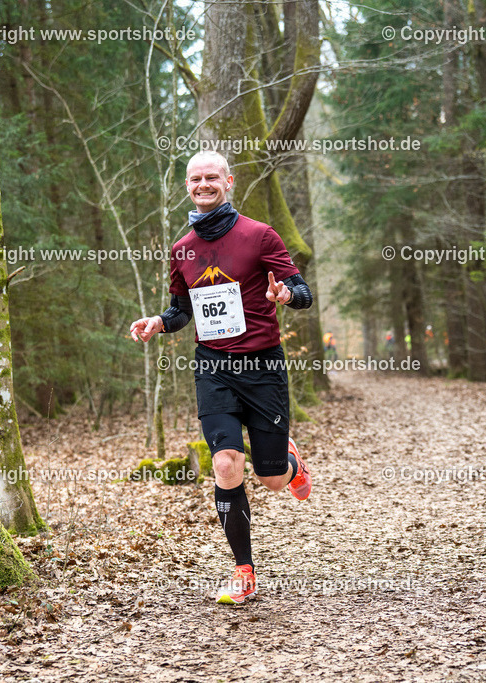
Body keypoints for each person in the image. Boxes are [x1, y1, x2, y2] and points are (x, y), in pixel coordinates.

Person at [129, 150, 313, 605]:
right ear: (187, 186)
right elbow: (180, 310)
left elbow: (304, 293)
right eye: (196, 178)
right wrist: (158, 321)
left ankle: (288, 463)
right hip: (213, 367)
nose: (203, 184)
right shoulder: (182, 250)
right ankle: (244, 571)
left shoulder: (259, 235)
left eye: (212, 177)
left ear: (228, 182)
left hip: (262, 366)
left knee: (270, 479)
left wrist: (285, 293)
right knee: (226, 463)